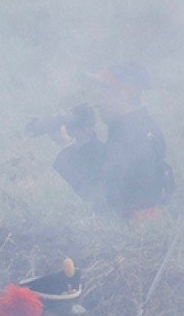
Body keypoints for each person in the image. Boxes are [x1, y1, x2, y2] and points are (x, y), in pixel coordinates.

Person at [43, 63, 171, 217]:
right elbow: (109, 166)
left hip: (129, 233)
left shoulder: (132, 136)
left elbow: (99, 195)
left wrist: (66, 147)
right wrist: (85, 141)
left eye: (102, 96)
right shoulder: (136, 127)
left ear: (123, 95)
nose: (97, 104)